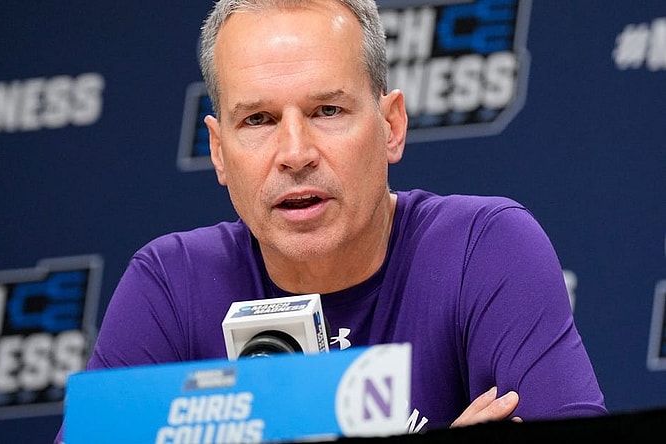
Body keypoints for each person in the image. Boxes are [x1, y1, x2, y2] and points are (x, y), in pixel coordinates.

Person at [54, 0, 606, 441]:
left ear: (391, 126)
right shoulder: (169, 286)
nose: (295, 152)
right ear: (219, 151)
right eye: (259, 119)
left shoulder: (483, 249)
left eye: (327, 111)